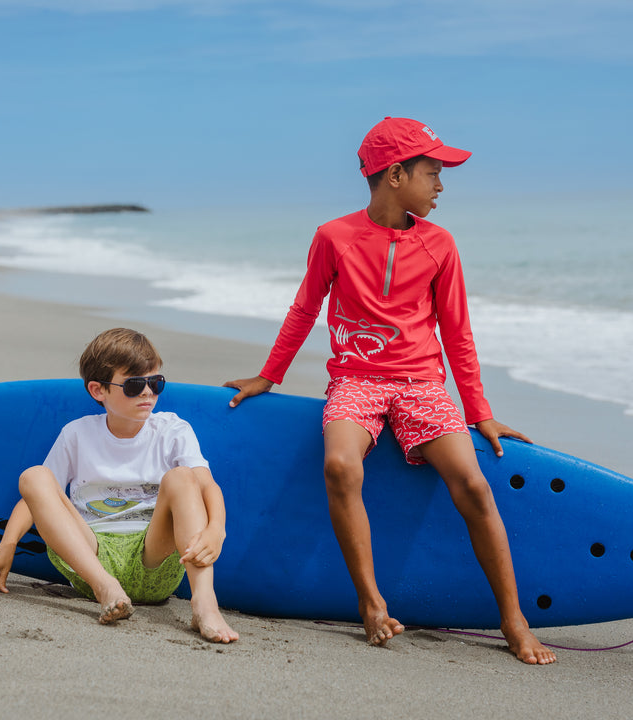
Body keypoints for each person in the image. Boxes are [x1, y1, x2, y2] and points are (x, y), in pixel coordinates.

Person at [224, 117, 554, 664]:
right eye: (433, 173)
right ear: (395, 174)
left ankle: (514, 621)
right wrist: (270, 375)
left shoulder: (440, 244)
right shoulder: (334, 237)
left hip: (421, 384)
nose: (441, 186)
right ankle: (371, 602)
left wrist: (479, 411)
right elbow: (306, 307)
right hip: (356, 380)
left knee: (471, 482)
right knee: (339, 466)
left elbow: (457, 331)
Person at [0, 328, 238, 644]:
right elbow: (36, 498)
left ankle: (204, 603)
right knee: (34, 477)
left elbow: (207, 485)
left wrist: (217, 528)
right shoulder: (77, 435)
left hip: (154, 556)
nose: (148, 392)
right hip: (89, 557)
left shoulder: (173, 430)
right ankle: (106, 586)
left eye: (156, 382)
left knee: (182, 477)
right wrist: (6, 546)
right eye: (134, 384)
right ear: (98, 390)